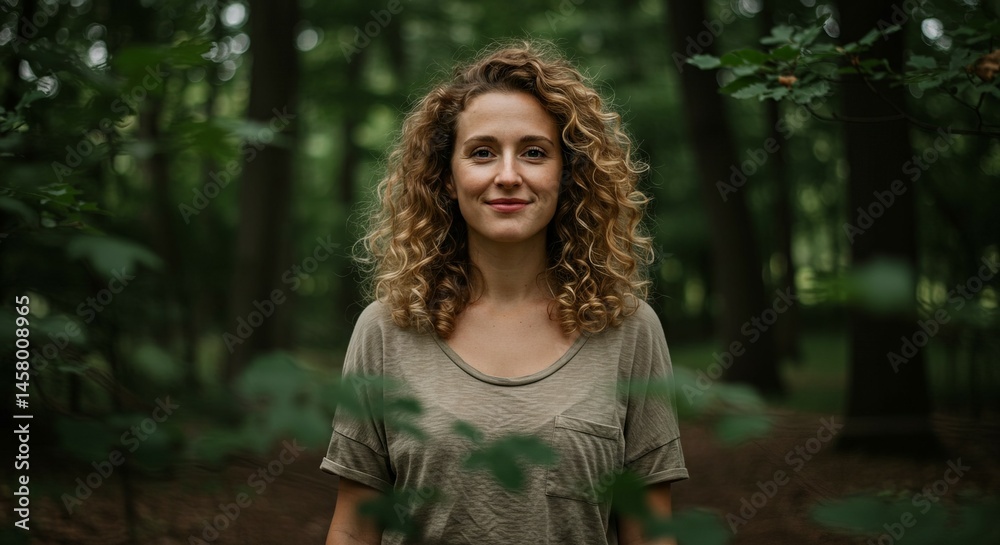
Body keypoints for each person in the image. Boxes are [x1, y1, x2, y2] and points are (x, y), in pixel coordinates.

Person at [322, 41, 688, 545]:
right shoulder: (387, 329)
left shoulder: (628, 329)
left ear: (568, 173)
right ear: (447, 177)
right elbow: (353, 526)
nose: (509, 175)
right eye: (482, 152)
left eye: (534, 152)